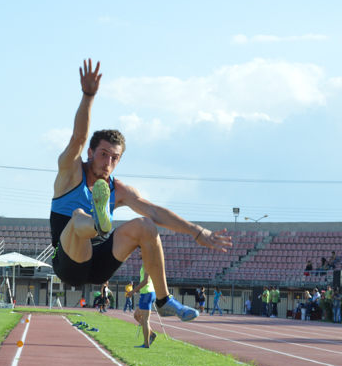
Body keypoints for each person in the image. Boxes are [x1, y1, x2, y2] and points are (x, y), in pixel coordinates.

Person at [48, 59, 231, 323]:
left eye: (114, 158)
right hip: (68, 260)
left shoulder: (118, 189)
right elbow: (77, 137)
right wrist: (88, 96)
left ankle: (164, 300)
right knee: (77, 216)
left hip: (99, 264)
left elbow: (155, 211)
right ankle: (99, 223)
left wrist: (197, 231)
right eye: (102, 155)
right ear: (90, 152)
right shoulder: (70, 172)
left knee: (146, 224)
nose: (108, 162)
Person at [133, 266, 157, 348]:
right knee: (136, 315)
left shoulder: (147, 263)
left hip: (147, 293)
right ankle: (151, 333)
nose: (139, 253)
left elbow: (146, 281)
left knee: (145, 320)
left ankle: (146, 344)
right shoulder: (145, 263)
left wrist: (133, 290)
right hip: (145, 293)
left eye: (140, 252)